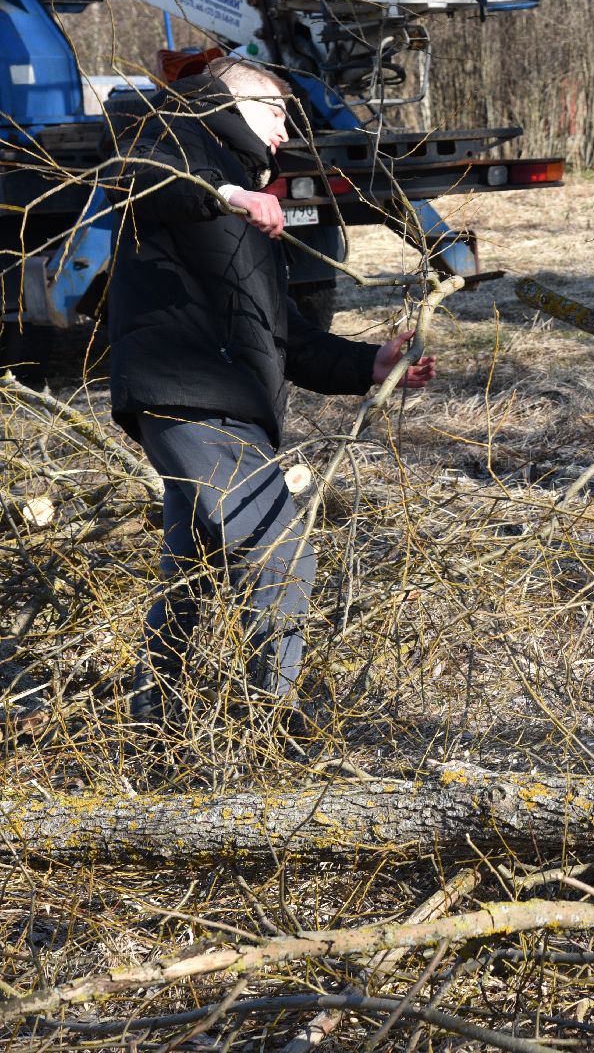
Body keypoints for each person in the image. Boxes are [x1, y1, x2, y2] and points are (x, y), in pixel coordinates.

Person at [107, 56, 437, 730]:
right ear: (233, 100)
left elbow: (284, 337)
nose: (287, 131)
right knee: (282, 556)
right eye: (278, 112)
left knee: (193, 572)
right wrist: (230, 195)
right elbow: (140, 177)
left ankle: (151, 726)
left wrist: (370, 363)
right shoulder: (177, 133)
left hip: (229, 404)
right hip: (192, 396)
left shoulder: (239, 200)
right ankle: (269, 731)